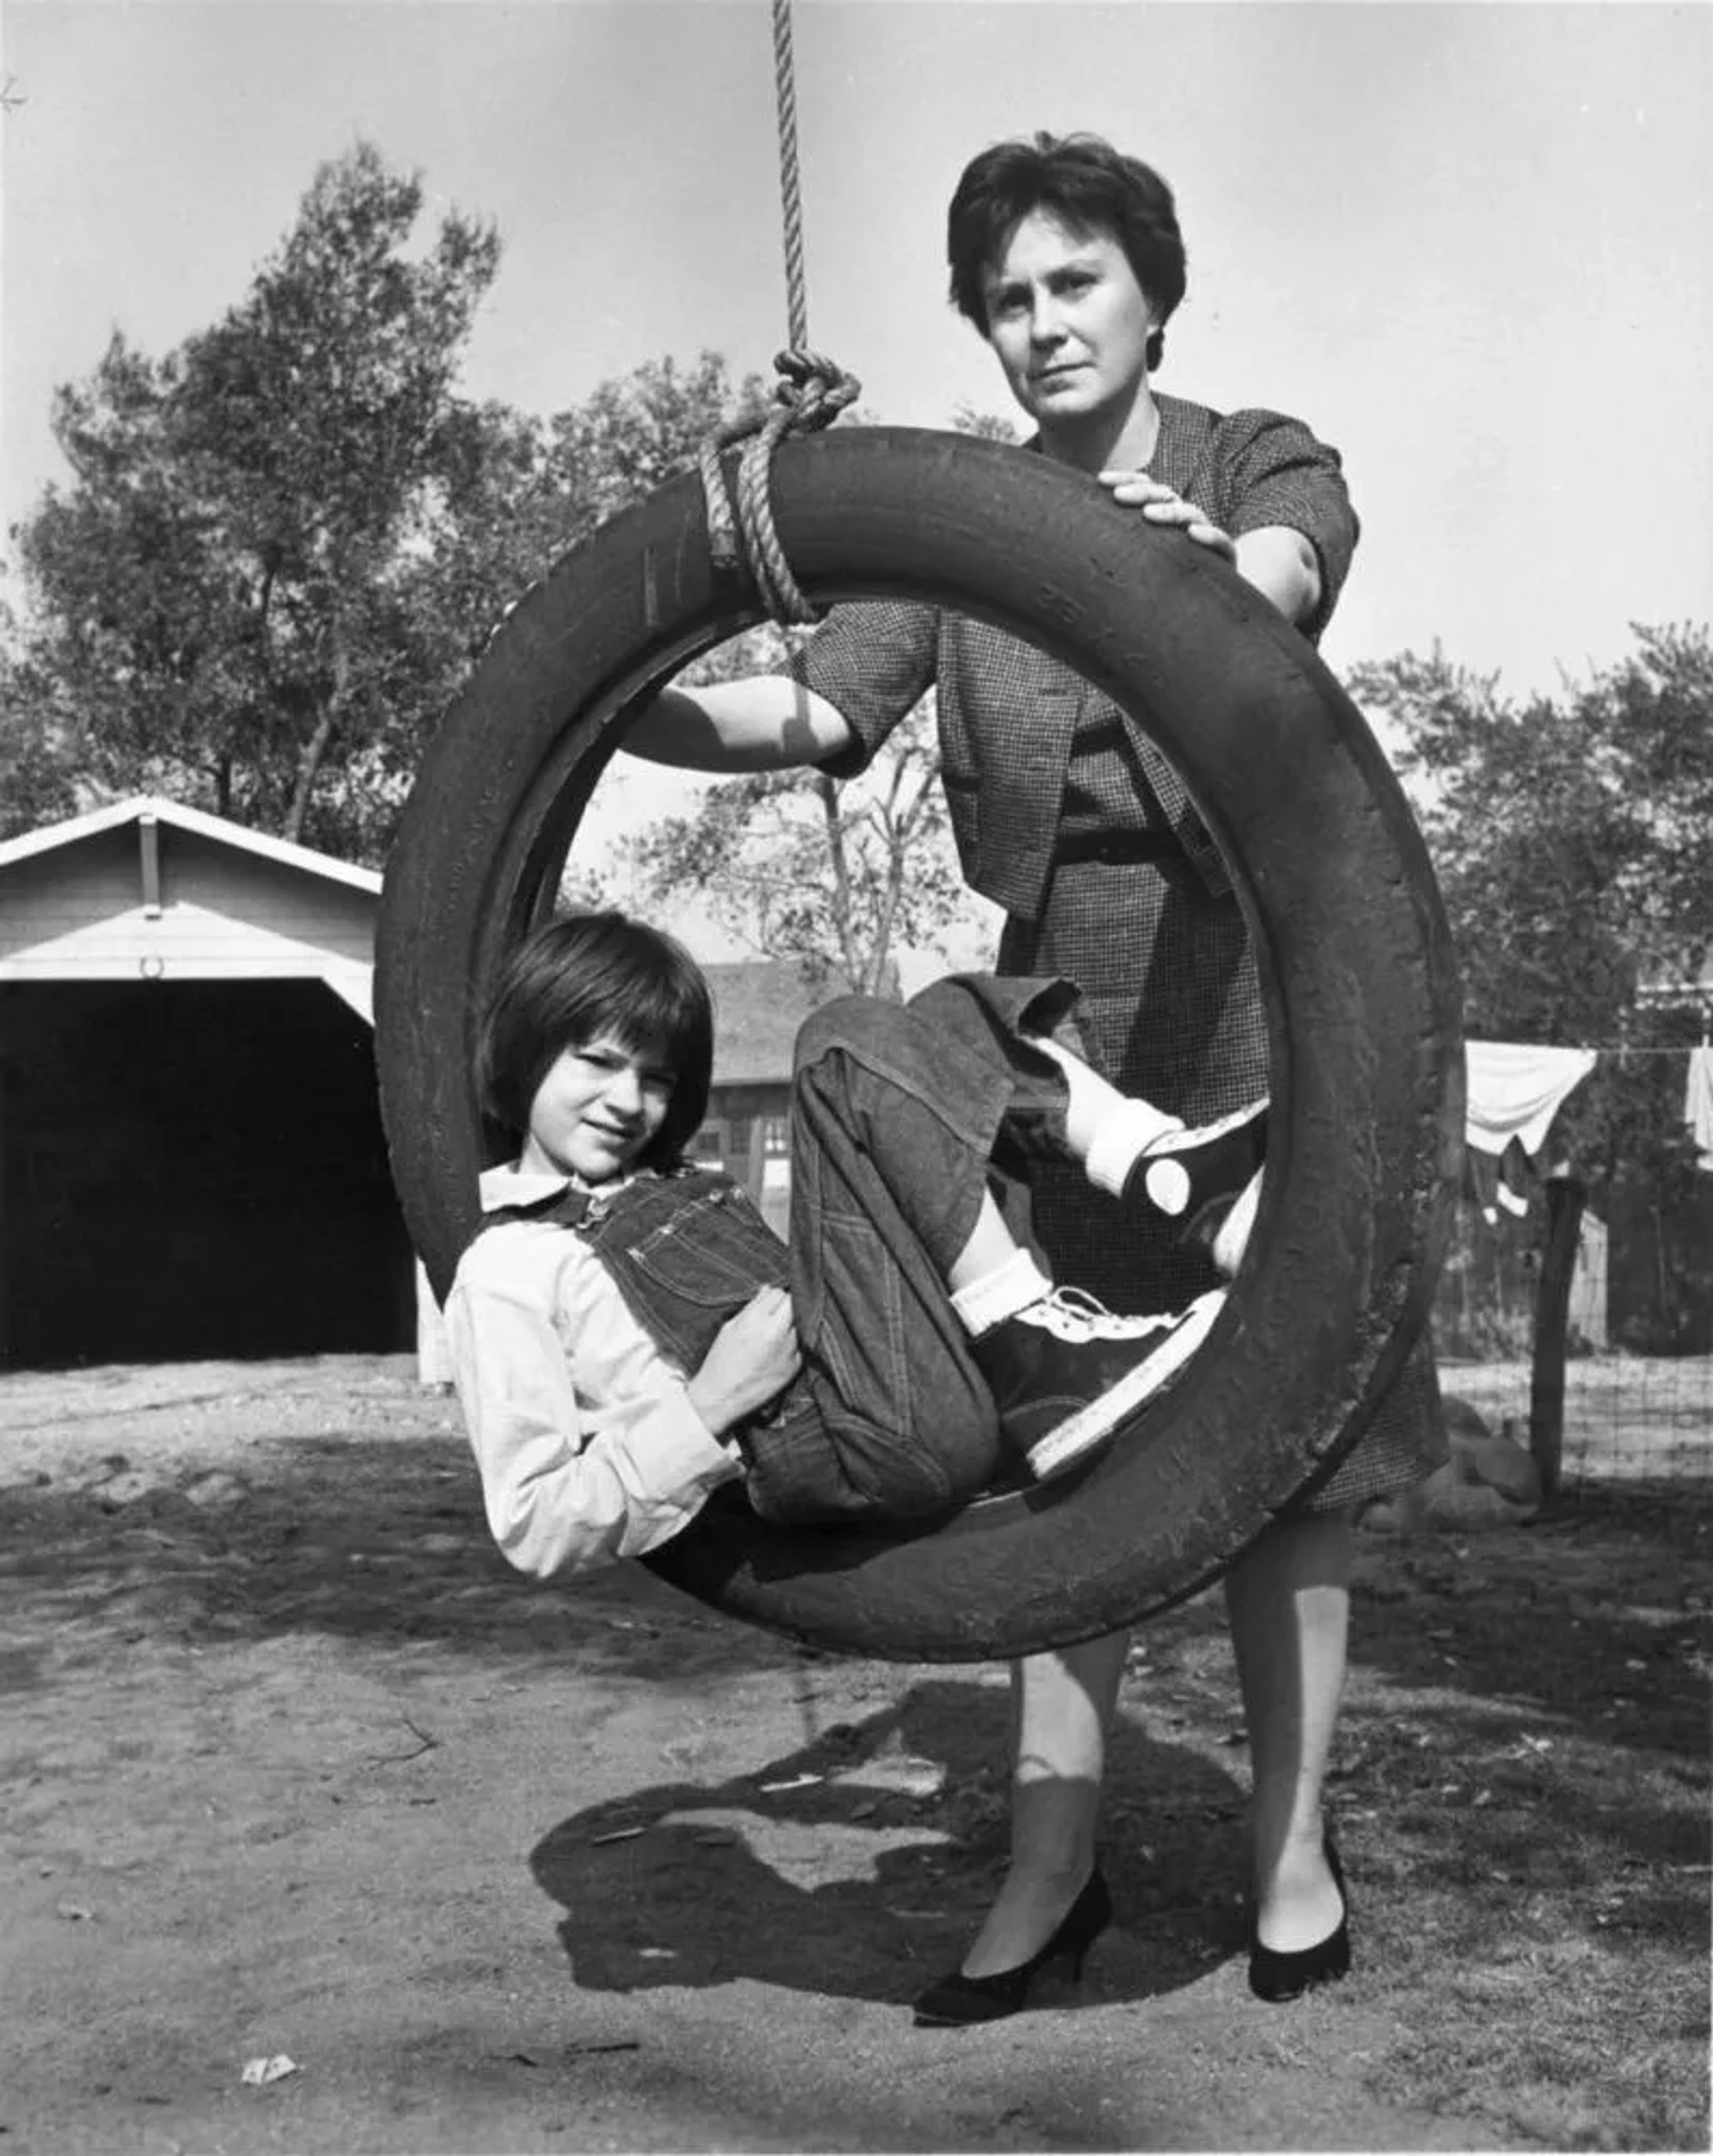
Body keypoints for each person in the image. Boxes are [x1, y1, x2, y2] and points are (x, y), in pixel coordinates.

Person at [619, 131, 1446, 2016]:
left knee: (1288, 1445)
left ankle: (1291, 1849)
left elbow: (1285, 580)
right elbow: (818, 706)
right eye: (1005, 299)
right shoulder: (959, 524)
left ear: (1156, 291)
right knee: (1074, 1446)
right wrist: (618, 682)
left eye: (1073, 282)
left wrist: (1214, 570)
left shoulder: (1249, 457)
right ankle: (1051, 1862)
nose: (1039, 324)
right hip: (1061, 1018)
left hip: (1270, 977)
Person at [446, 909, 1265, 1570]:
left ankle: (1165, 1170)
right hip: (846, 1438)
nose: (627, 1100)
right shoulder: (508, 1266)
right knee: (841, 1046)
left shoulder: (663, 1182)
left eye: (655, 1078)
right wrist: (711, 1405)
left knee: (948, 1019)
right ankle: (1041, 1343)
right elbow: (533, 1521)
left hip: (898, 1372)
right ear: (525, 1054)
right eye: (596, 1062)